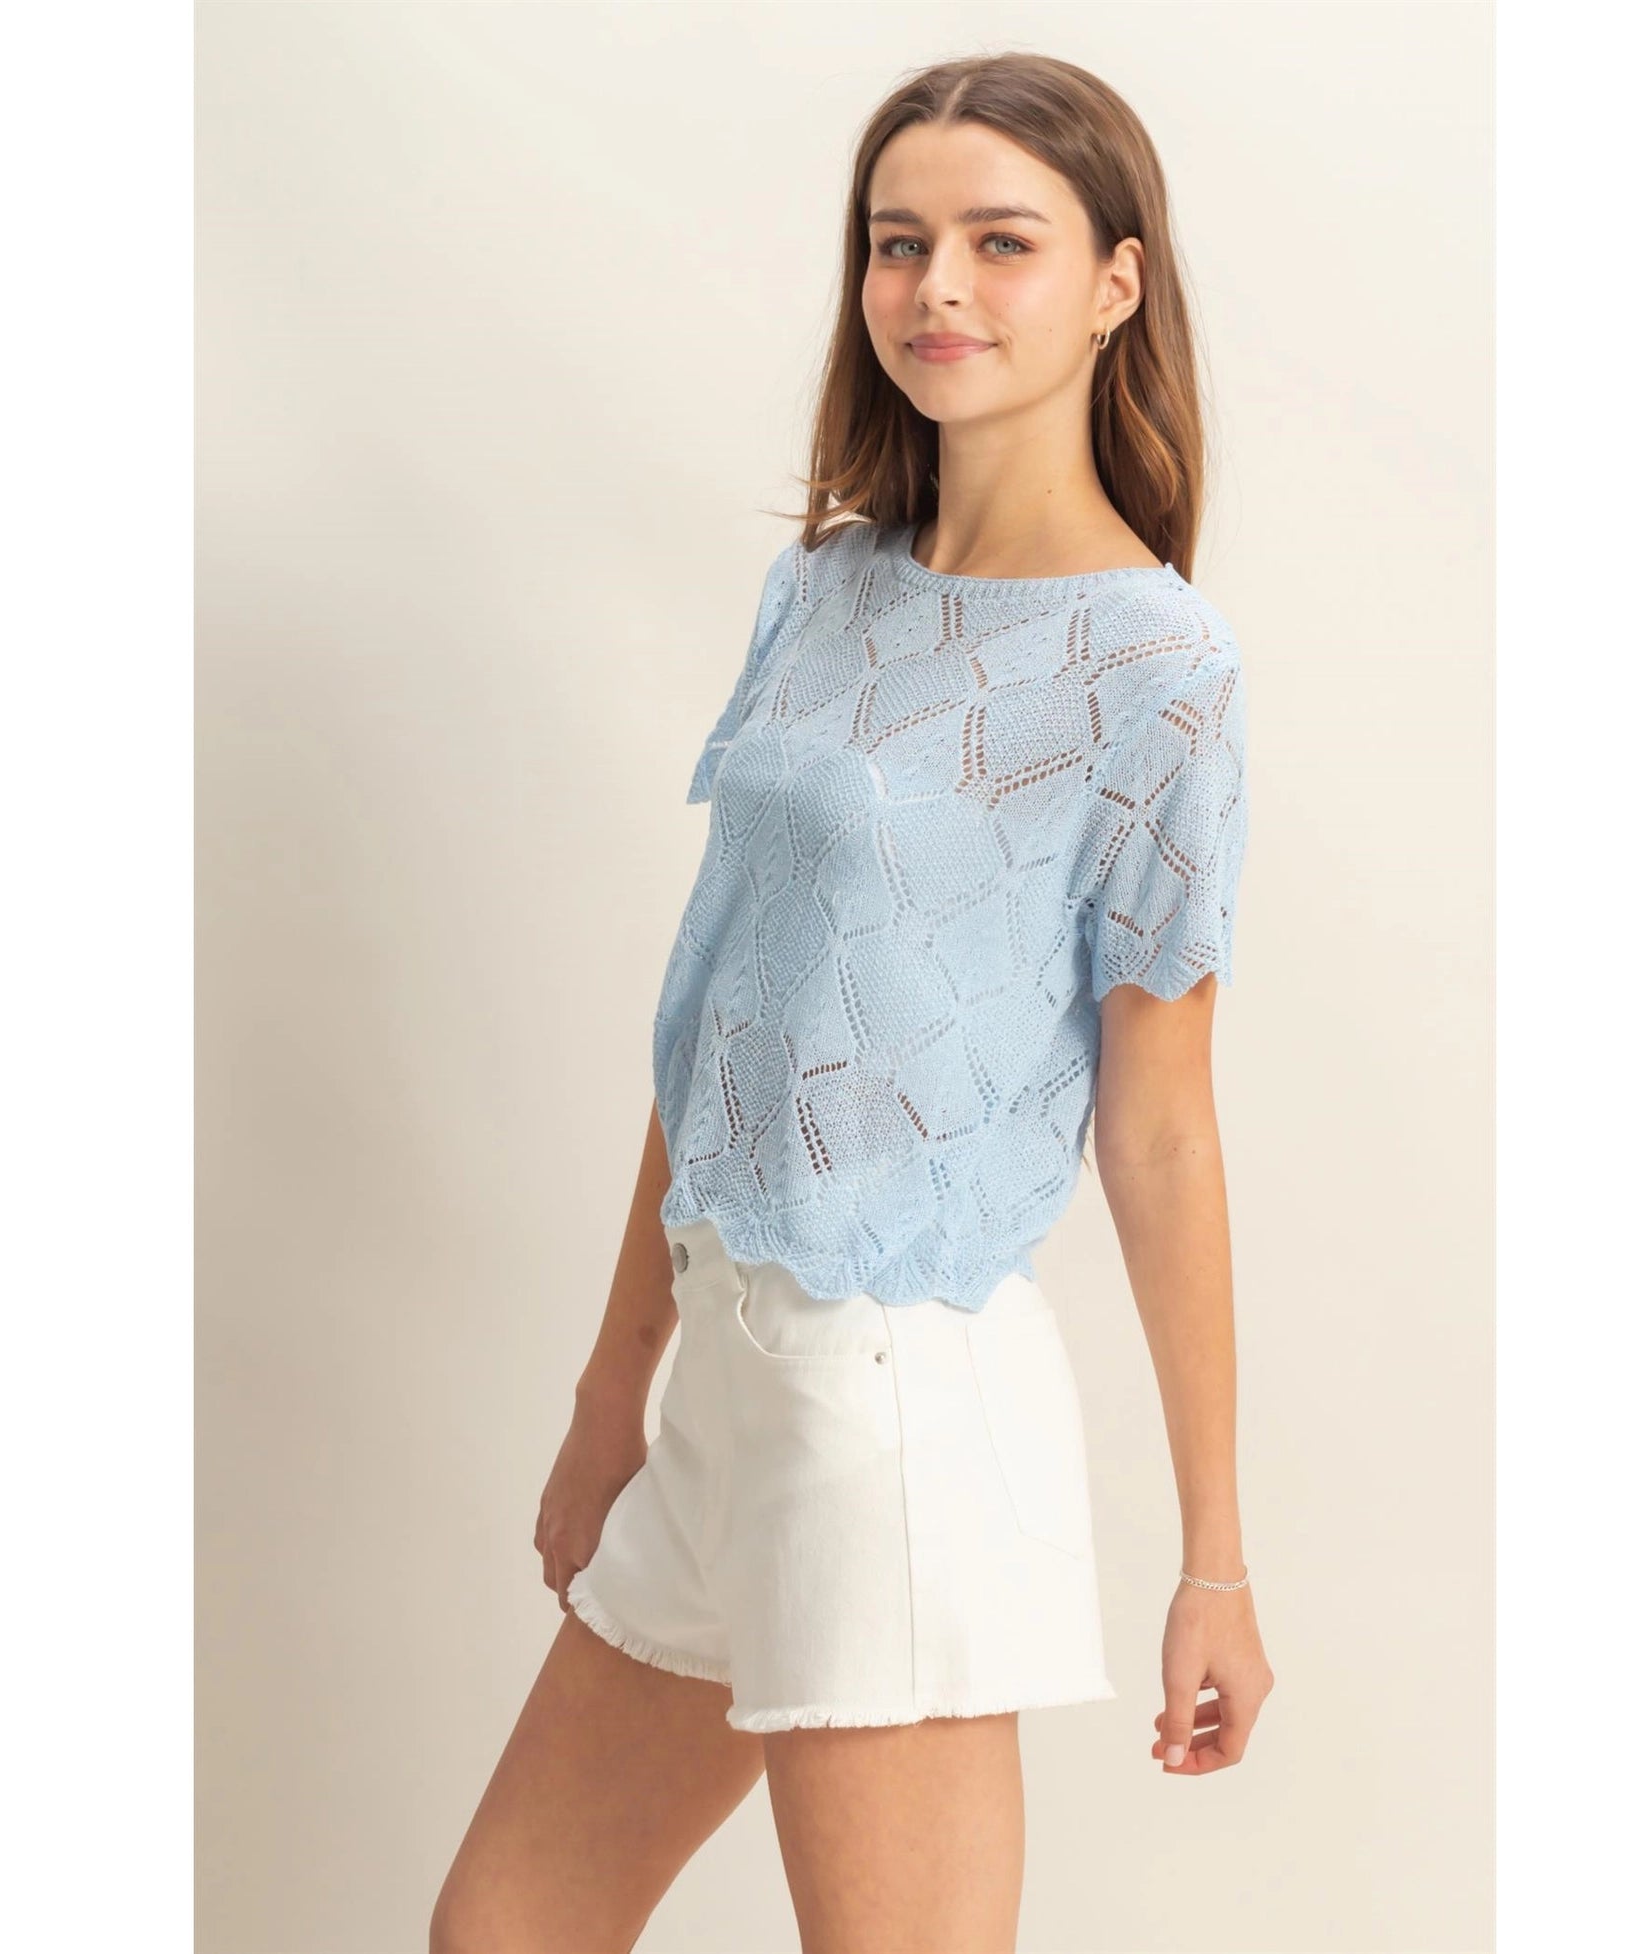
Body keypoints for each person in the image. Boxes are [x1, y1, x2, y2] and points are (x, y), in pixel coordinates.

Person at [432, 49, 1275, 1954]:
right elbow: (723, 1021)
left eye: (1000, 242)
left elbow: (1160, 1124)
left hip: (894, 1404)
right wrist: (613, 1384)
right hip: (731, 1383)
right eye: (899, 243)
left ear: (1116, 284)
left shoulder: (1157, 666)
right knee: (503, 1928)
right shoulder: (821, 594)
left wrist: (1213, 1558)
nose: (936, 288)